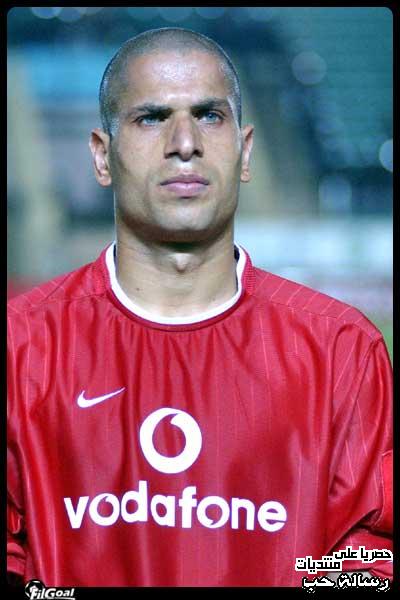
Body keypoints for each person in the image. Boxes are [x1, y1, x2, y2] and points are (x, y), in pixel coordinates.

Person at [7, 27, 392, 588]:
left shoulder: (340, 349)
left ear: (245, 150)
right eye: (151, 118)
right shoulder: (21, 345)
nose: (184, 142)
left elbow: (368, 555)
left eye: (209, 116)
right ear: (102, 156)